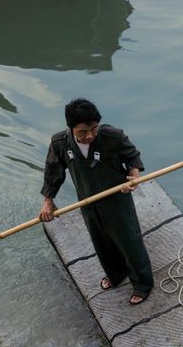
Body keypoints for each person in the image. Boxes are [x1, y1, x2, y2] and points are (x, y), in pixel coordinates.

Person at [40, 98, 154, 305]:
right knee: (101, 241)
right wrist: (48, 201)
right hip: (88, 200)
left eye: (94, 129)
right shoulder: (60, 144)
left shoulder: (112, 136)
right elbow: (53, 172)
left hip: (117, 198)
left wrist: (134, 176)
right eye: (83, 132)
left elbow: (132, 156)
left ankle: (142, 283)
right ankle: (115, 275)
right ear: (71, 128)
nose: (90, 135)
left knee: (129, 240)